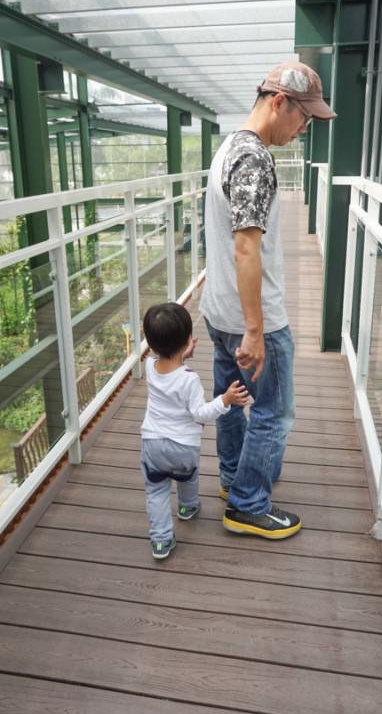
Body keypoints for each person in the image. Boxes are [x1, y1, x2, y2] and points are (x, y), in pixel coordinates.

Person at [200, 60, 337, 539]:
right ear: (279, 102)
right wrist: (256, 330)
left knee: (232, 400)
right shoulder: (255, 158)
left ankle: (232, 478)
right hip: (249, 319)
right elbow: (246, 245)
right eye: (303, 117)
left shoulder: (228, 148)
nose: (303, 129)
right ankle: (248, 504)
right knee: (271, 412)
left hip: (218, 311)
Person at [141, 302, 249, 559]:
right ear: (188, 340)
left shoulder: (148, 366)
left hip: (152, 444)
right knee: (187, 476)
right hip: (183, 446)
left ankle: (160, 541)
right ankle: (188, 507)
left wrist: (179, 354)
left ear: (151, 344)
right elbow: (200, 413)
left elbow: (164, 358)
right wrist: (225, 399)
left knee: (156, 491)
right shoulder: (189, 379)